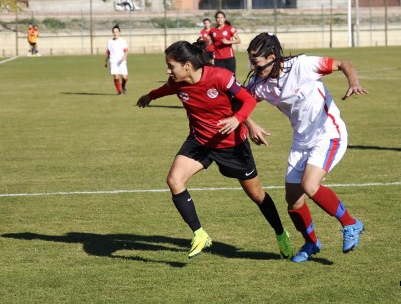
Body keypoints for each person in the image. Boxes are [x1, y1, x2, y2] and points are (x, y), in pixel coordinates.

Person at [136, 41, 293, 259]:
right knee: (174, 180)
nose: (168, 70)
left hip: (232, 146)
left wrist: (239, 120)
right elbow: (166, 89)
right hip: (199, 142)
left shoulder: (219, 76)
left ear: (188, 65)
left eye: (171, 66)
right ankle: (200, 234)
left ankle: (280, 232)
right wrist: (149, 96)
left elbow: (247, 99)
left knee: (257, 195)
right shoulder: (177, 81)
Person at [243, 32, 368, 263]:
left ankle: (351, 224)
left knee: (310, 185)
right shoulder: (260, 84)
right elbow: (238, 105)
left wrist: (354, 82)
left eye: (256, 61)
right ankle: (311, 243)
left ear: (272, 56)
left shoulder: (301, 65)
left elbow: (343, 63)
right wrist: (250, 124)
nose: (253, 66)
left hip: (328, 134)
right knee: (293, 201)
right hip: (301, 142)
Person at [105, 24, 129, 95]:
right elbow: (108, 52)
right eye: (114, 32)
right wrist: (106, 61)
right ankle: (119, 91)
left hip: (121, 61)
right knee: (116, 76)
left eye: (116, 32)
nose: (115, 33)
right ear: (112, 33)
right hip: (113, 61)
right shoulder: (110, 42)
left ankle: (123, 85)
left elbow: (126, 51)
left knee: (125, 77)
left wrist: (124, 57)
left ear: (119, 32)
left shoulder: (122, 41)